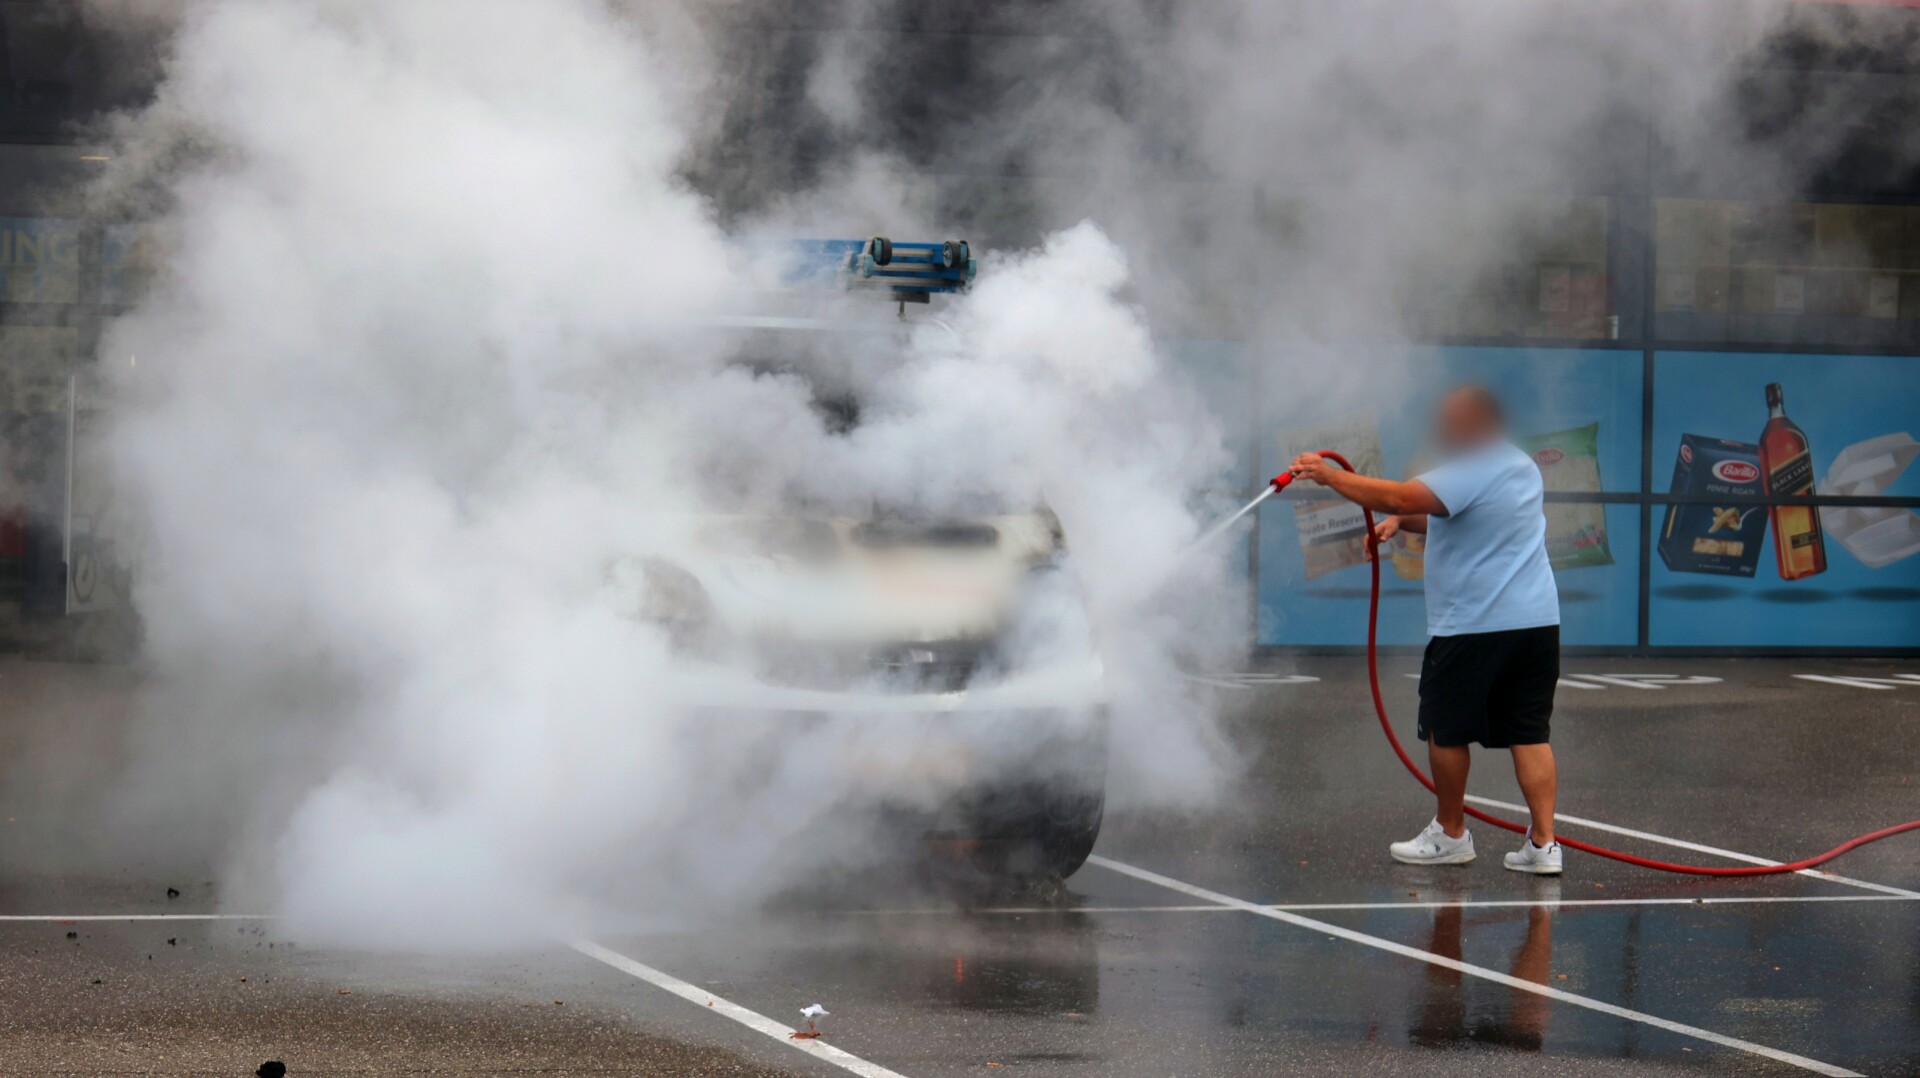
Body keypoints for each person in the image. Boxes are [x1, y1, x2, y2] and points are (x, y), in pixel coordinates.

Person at [1287, 385, 1563, 875]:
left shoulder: (1471, 467)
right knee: (1529, 732)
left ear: (1481, 422)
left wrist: (1328, 477)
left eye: (1453, 420)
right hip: (1536, 624)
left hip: (1475, 626)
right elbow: (1463, 518)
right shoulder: (1519, 466)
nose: (1445, 430)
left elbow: (1400, 492)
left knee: (1446, 728)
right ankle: (1543, 846)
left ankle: (1451, 833)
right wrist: (1399, 522)